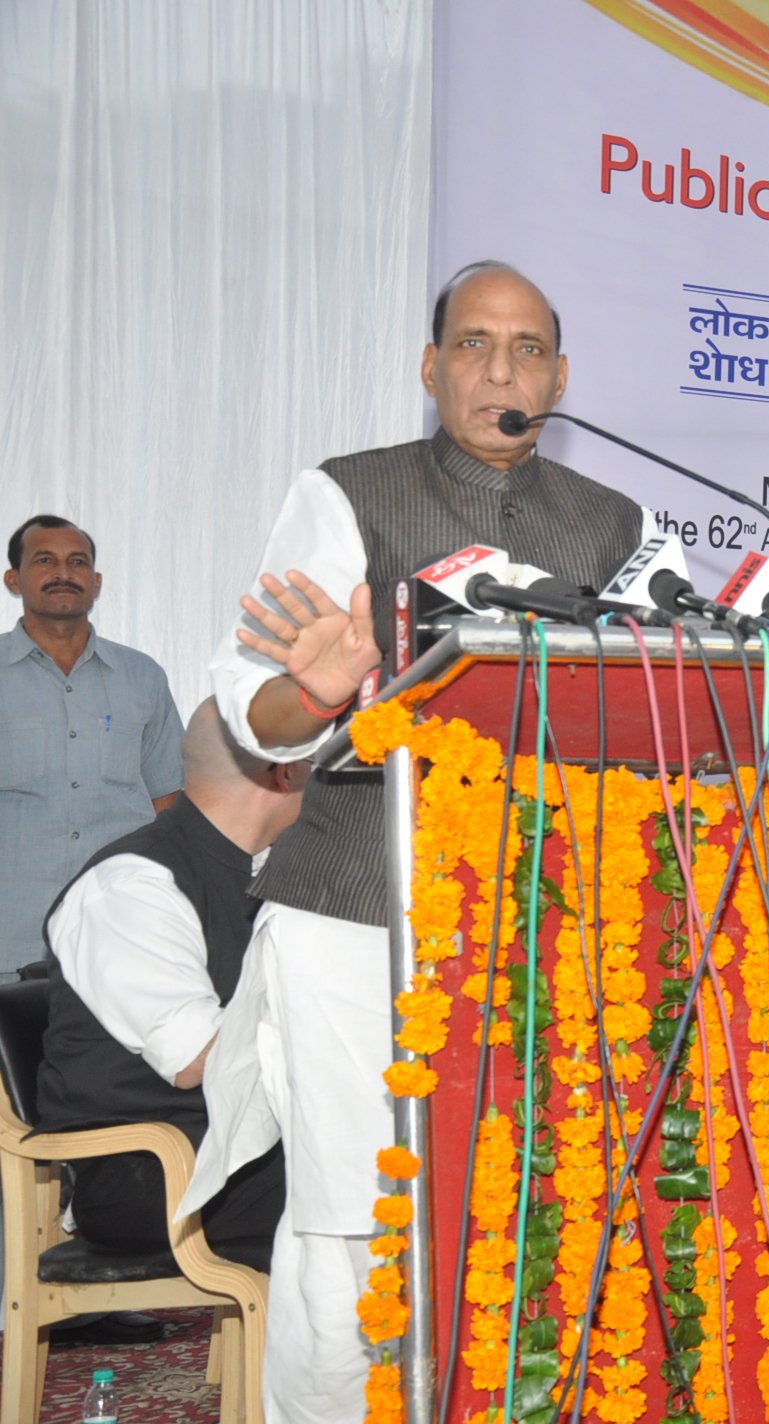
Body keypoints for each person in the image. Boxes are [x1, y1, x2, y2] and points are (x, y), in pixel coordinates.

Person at [191, 261, 657, 1423]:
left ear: (559, 373)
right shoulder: (348, 493)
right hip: (360, 910)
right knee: (359, 1218)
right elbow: (260, 713)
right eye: (474, 343)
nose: (501, 369)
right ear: (429, 362)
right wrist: (323, 689)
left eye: (528, 348)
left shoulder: (615, 524)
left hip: (543, 919)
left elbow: (658, 709)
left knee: (535, 1207)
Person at [40, 700, 303, 1259]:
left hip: (239, 1146)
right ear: (285, 773)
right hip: (153, 1171)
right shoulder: (132, 885)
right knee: (379, 1180)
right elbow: (198, 1057)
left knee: (396, 1158)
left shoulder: (265, 871)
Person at [1, 515, 184, 978]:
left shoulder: (142, 676)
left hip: (121, 933)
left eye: (77, 562)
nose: (63, 573)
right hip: (10, 935)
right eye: (45, 560)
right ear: (13, 580)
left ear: (96, 582)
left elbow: (170, 802)